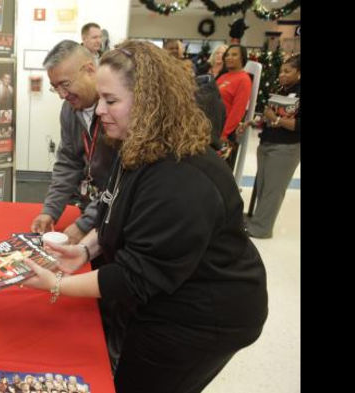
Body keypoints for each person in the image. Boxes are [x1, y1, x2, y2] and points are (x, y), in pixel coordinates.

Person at [23, 40, 268, 393]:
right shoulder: (134, 144)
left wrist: (57, 285)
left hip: (206, 316)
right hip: (169, 294)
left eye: (111, 101)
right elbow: (109, 205)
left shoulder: (180, 176)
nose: (100, 111)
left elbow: (135, 276)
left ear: (150, 101)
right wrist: (85, 251)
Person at [30, 40, 117, 246]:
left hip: (116, 215)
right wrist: (50, 211)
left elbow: (121, 181)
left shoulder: (118, 112)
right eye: (55, 87)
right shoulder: (69, 110)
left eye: (65, 84)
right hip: (92, 206)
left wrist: (85, 225)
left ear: (89, 70)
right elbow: (68, 162)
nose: (61, 95)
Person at [245, 54, 301, 239]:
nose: (282, 75)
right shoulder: (282, 90)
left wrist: (275, 118)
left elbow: (296, 125)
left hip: (286, 148)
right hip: (268, 142)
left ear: (299, 73)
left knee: (273, 190)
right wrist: (257, 121)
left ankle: (262, 228)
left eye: (287, 71)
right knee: (262, 185)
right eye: (281, 71)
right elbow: (269, 114)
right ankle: (257, 220)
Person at [216, 44, 252, 170]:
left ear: (242, 58)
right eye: (228, 54)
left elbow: (238, 111)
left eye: (234, 54)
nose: (229, 57)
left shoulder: (244, 79)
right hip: (214, 128)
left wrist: (224, 135)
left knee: (221, 172)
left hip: (225, 132)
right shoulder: (223, 76)